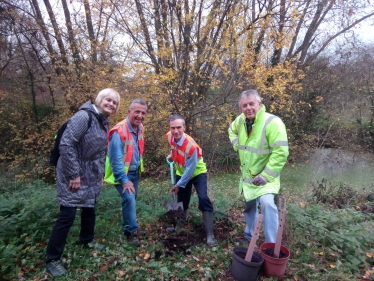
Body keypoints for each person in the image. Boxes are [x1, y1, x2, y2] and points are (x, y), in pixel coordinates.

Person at [45, 88, 120, 277]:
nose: (111, 104)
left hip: (91, 174)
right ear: (100, 99)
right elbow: (66, 144)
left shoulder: (102, 120)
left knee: (89, 208)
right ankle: (52, 259)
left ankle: (87, 240)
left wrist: (100, 173)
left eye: (115, 102)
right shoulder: (83, 117)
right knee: (67, 214)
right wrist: (74, 174)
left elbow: (99, 151)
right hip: (73, 172)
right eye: (108, 100)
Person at [228, 89, 289, 244]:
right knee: (249, 206)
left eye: (251, 104)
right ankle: (250, 237)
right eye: (244, 105)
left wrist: (266, 175)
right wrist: (237, 146)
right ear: (240, 108)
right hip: (248, 178)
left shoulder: (272, 122)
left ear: (259, 104)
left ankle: (271, 245)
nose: (248, 108)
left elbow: (280, 151)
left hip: (267, 177)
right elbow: (231, 130)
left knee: (267, 204)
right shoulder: (241, 121)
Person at [166, 114, 217, 246]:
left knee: (203, 198)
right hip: (181, 171)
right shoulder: (169, 136)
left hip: (197, 172)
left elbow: (191, 170)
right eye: (173, 128)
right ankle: (180, 224)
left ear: (184, 127)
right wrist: (172, 155)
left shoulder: (191, 146)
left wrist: (179, 184)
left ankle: (210, 235)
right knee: (182, 199)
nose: (175, 131)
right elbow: (176, 149)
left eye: (178, 127)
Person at [104, 98, 147, 247]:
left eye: (143, 113)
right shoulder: (119, 131)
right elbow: (116, 160)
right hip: (123, 174)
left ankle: (129, 225)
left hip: (134, 171)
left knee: (132, 199)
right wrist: (124, 180)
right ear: (129, 112)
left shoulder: (140, 127)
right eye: (137, 112)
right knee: (129, 199)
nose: (140, 116)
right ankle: (130, 232)